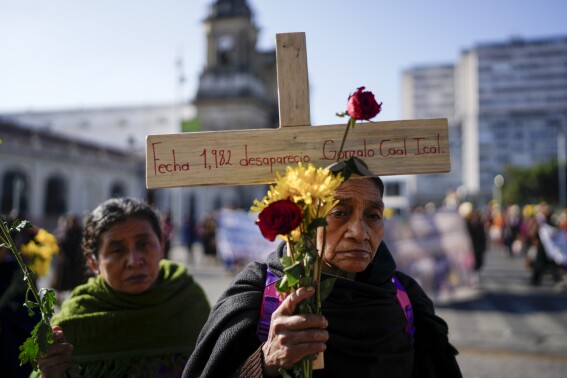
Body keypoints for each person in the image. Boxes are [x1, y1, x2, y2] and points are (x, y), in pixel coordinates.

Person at [183, 159, 462, 377]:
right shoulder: (258, 293)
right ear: (307, 219)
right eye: (339, 212)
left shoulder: (406, 297)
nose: (359, 232)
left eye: (373, 216)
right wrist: (265, 362)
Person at [36, 197, 211, 378]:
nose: (134, 261)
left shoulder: (188, 299)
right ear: (93, 262)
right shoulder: (71, 325)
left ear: (162, 246)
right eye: (117, 250)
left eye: (144, 244)